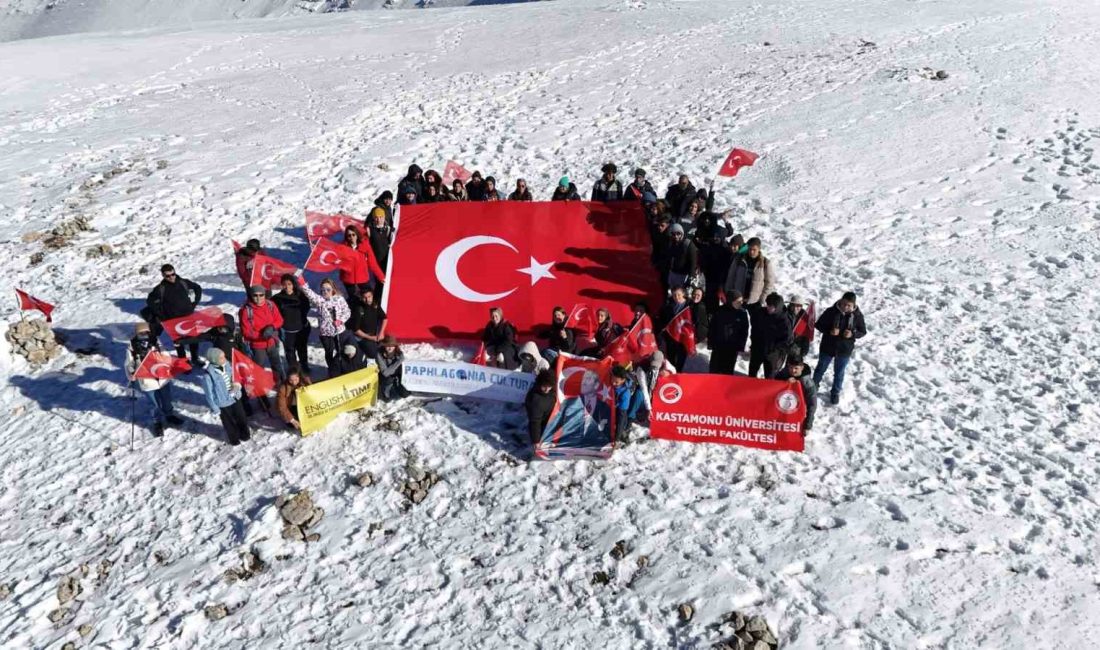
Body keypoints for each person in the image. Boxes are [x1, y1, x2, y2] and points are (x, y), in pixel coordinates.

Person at [125, 322, 183, 437]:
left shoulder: (155, 342)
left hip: (161, 377)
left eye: (146, 332)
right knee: (154, 403)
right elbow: (128, 363)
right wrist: (131, 372)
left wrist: (161, 356)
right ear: (137, 334)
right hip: (147, 379)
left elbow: (166, 354)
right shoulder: (132, 347)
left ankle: (169, 415)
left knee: (166, 398)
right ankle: (157, 421)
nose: (144, 335)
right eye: (141, 333)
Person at [813, 291, 867, 405]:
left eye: (849, 305)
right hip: (828, 346)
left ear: (854, 305)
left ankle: (835, 392)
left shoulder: (857, 316)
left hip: (844, 349)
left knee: (839, 373)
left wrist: (852, 334)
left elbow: (863, 331)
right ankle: (813, 387)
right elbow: (818, 325)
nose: (845, 307)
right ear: (840, 301)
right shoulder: (831, 311)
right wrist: (829, 331)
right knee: (820, 369)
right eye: (844, 304)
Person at [144, 264, 203, 365]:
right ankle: (183, 362)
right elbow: (150, 301)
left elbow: (197, 288)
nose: (171, 277)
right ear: (163, 276)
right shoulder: (160, 289)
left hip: (188, 316)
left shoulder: (183, 282)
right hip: (172, 320)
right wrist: (161, 315)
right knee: (178, 343)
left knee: (193, 339)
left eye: (173, 274)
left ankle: (195, 358)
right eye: (168, 276)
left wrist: (194, 303)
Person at [297, 276, 352, 378]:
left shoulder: (339, 299)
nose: (325, 292)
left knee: (341, 351)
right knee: (329, 352)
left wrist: (341, 321)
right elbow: (310, 294)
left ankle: (343, 368)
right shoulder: (320, 301)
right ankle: (332, 370)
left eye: (328, 289)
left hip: (339, 331)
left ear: (333, 289)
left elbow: (347, 312)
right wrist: (303, 283)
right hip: (325, 333)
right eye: (323, 290)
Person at [199, 347, 251, 446]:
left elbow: (235, 378)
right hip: (222, 402)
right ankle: (234, 438)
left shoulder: (228, 365)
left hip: (235, 397)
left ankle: (245, 434)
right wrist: (215, 408)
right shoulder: (208, 375)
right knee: (229, 422)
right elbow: (209, 394)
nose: (224, 359)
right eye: (221, 358)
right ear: (214, 360)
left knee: (241, 417)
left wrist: (237, 386)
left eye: (224, 357)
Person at [239, 284, 287, 383]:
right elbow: (246, 331)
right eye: (255, 295)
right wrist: (261, 335)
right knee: (258, 367)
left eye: (261, 295)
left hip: (272, 341)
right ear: (251, 296)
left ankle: (279, 383)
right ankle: (260, 388)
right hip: (257, 345)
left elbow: (280, 320)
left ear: (265, 295)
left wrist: (272, 327)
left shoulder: (270, 305)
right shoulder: (246, 311)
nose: (258, 298)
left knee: (277, 364)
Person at [272, 274, 311, 374]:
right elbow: (273, 313)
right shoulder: (276, 298)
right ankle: (293, 370)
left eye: (289, 284)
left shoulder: (301, 296)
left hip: (301, 329)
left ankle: (304, 365)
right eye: (284, 284)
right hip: (287, 331)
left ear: (293, 284)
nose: (287, 286)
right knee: (290, 351)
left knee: (302, 349)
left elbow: (307, 308)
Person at [748, 292, 792, 379]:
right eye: (768, 305)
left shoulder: (784, 320)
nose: (768, 308)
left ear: (777, 307)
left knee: (770, 376)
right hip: (758, 349)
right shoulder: (760, 313)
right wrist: (754, 343)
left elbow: (787, 339)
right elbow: (754, 328)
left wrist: (775, 350)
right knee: (752, 372)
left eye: (771, 307)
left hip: (772, 354)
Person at [724, 237, 777, 306]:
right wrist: (729, 294)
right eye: (750, 249)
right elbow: (731, 277)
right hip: (738, 299)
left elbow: (769, 283)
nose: (751, 252)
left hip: (754, 301)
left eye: (754, 250)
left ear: (759, 249)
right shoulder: (739, 259)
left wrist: (763, 299)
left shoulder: (765, 263)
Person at [707, 290, 749, 374]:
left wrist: (741, 345)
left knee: (728, 371)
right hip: (718, 346)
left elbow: (744, 331)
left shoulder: (742, 314)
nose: (740, 303)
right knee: (714, 369)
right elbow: (712, 328)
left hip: (732, 348)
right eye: (738, 301)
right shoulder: (720, 311)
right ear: (730, 301)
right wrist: (710, 342)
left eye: (741, 301)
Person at [775, 355, 817, 433]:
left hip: (796, 411)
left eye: (796, 368)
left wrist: (807, 426)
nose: (793, 370)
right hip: (781, 407)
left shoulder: (808, 383)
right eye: (790, 367)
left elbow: (812, 405)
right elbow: (774, 383)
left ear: (802, 367)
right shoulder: (785, 372)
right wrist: (784, 382)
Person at [340, 225, 378, 301]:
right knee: (353, 299)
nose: (352, 237)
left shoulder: (364, 246)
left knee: (368, 297)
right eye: (349, 235)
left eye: (353, 234)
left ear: (357, 234)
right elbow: (333, 257)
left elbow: (373, 263)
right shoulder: (342, 247)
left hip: (362, 277)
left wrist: (381, 277)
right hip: (348, 278)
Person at [658, 287, 692, 372]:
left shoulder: (690, 305)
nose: (676, 297)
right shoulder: (668, 306)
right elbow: (662, 319)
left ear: (683, 294)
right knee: (671, 359)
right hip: (671, 337)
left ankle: (679, 373)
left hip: (684, 337)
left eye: (679, 295)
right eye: (674, 295)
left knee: (681, 359)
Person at [350, 287, 387, 359]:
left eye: (369, 297)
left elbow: (384, 318)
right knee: (374, 354)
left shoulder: (375, 304)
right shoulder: (358, 309)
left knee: (386, 348)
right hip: (363, 337)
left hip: (374, 335)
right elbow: (356, 330)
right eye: (364, 297)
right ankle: (360, 350)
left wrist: (381, 332)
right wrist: (370, 338)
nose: (367, 300)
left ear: (372, 295)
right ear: (361, 298)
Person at [525, 369, 556, 447]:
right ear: (539, 384)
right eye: (544, 386)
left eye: (549, 386)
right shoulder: (535, 400)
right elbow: (535, 422)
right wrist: (536, 441)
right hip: (542, 424)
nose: (547, 389)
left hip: (549, 417)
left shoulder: (552, 391)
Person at [611, 365, 643, 438]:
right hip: (617, 398)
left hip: (628, 401)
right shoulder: (613, 377)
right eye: (612, 380)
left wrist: (616, 438)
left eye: (616, 382)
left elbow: (621, 416)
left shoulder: (625, 394)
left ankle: (623, 432)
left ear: (623, 380)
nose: (613, 383)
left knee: (623, 418)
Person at [275, 367, 312, 431]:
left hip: (303, 403)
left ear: (299, 377)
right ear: (287, 379)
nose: (294, 382)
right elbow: (281, 406)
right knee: (292, 423)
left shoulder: (305, 381)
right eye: (291, 380)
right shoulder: (282, 388)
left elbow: (313, 391)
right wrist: (292, 420)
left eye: (296, 379)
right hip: (291, 405)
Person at [376, 335, 411, 402]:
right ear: (384, 346)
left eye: (392, 346)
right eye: (387, 346)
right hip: (384, 377)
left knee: (405, 394)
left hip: (397, 376)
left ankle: (396, 386)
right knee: (386, 399)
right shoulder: (379, 354)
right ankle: (385, 390)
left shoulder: (399, 354)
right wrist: (398, 362)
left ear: (395, 346)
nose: (390, 348)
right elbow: (385, 373)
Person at [664, 224, 698, 291]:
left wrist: (691, 278)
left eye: (678, 233)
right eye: (673, 234)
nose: (676, 236)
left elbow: (693, 262)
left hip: (684, 276)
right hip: (672, 274)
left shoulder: (688, 244)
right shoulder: (670, 243)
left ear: (682, 233)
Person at [367, 207, 394, 277]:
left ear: (384, 217)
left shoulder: (388, 229)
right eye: (376, 217)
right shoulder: (369, 230)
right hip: (376, 260)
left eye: (381, 217)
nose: (378, 219)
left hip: (387, 258)